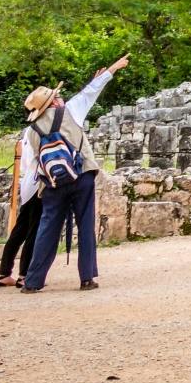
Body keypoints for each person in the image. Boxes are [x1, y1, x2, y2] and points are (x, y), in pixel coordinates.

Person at [20, 55, 129, 293]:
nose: (61, 98)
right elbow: (91, 92)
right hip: (81, 175)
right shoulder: (69, 111)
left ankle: (33, 281)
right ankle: (87, 277)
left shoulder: (31, 131)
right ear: (54, 101)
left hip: (52, 183)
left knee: (47, 229)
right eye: (57, 96)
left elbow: (33, 163)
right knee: (86, 224)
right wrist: (112, 69)